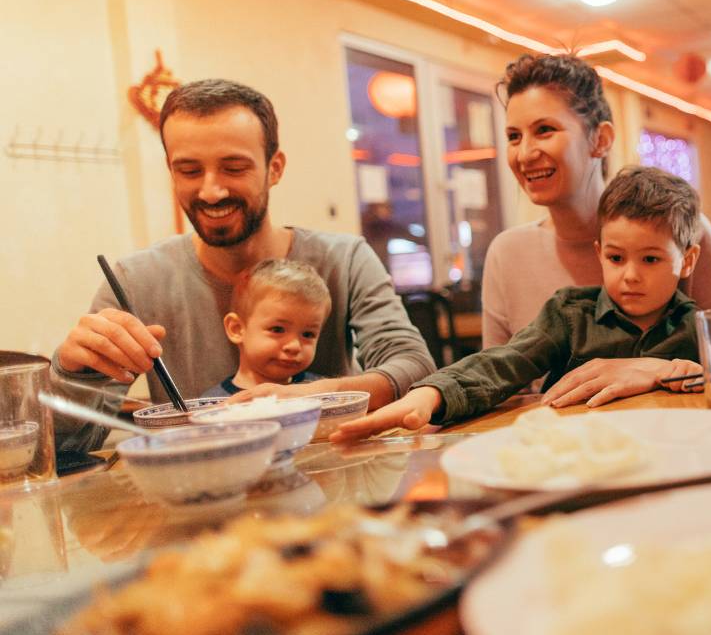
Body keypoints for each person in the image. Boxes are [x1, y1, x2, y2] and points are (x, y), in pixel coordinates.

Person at [53, 79, 435, 452]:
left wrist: (296, 399)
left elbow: (415, 367)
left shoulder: (344, 260)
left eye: (234, 168)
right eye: (189, 171)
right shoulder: (134, 282)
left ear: (275, 168)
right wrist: (72, 375)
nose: (211, 191)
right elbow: (69, 445)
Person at [331, 167, 704, 439]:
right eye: (616, 258)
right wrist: (432, 394)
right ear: (599, 252)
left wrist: (670, 370)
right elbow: (504, 363)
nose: (630, 275)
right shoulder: (570, 313)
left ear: (687, 260)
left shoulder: (701, 328)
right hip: (575, 457)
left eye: (651, 259)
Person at [481, 54, 711, 406]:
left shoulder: (685, 232)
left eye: (544, 130)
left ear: (600, 139)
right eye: (513, 136)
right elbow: (499, 386)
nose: (524, 154)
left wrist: (650, 369)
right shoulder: (507, 252)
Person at [202, 259, 330, 398]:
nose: (294, 346)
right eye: (277, 329)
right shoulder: (213, 406)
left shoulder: (323, 392)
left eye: (308, 334)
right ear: (237, 329)